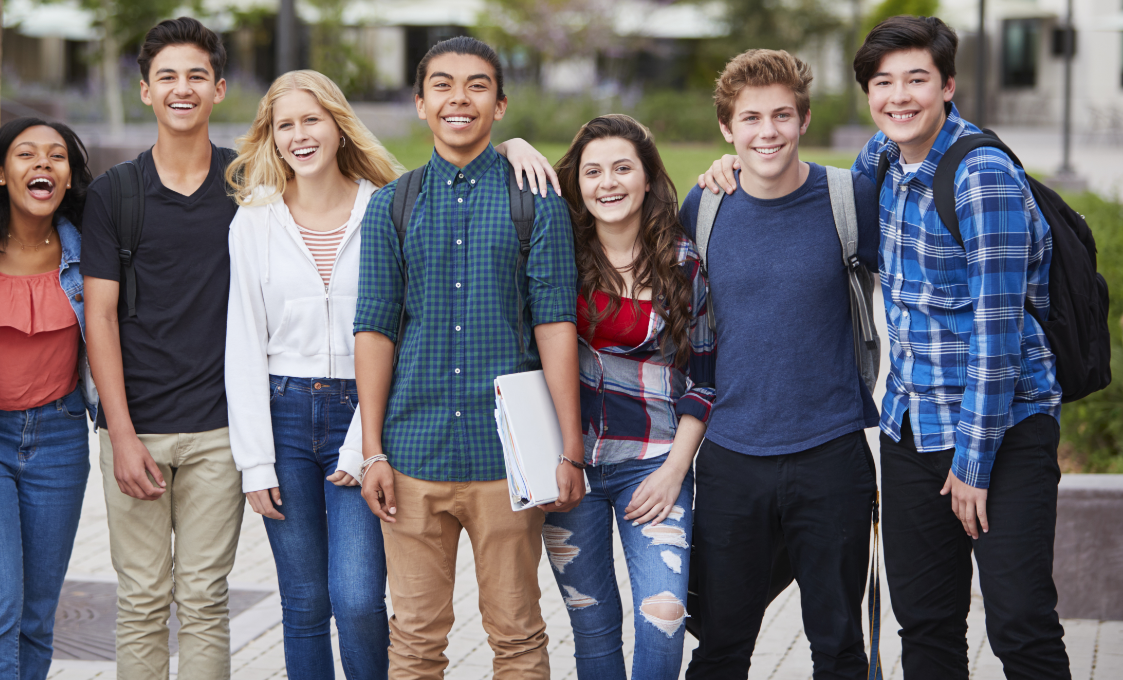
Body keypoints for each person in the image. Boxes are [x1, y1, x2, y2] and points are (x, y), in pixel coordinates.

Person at [224, 66, 562, 679]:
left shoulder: (384, 203)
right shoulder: (253, 221)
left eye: (312, 120)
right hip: (285, 414)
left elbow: (391, 331)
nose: (300, 135)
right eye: (285, 125)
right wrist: (254, 462)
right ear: (270, 137)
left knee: (357, 599)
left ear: (339, 126)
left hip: (368, 412)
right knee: (304, 603)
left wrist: (368, 448)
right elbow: (242, 344)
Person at [352, 36, 585, 679]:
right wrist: (372, 449)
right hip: (412, 457)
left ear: (501, 105)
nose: (460, 98)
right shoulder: (391, 206)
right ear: (421, 103)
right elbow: (374, 329)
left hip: (506, 462)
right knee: (416, 643)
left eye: (477, 85)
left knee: (517, 637)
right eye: (444, 86)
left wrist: (569, 447)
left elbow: (555, 323)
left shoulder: (536, 201)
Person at [852, 17, 1068, 679]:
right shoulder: (884, 158)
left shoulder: (981, 177)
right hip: (912, 427)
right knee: (926, 626)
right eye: (884, 83)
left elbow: (998, 333)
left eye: (917, 79)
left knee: (1019, 625)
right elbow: (812, 193)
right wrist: (730, 168)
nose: (899, 96)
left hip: (1002, 431)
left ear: (947, 85)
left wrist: (974, 464)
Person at [680, 50, 881, 680]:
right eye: (750, 119)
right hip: (731, 456)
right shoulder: (704, 207)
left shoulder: (851, 199)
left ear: (803, 120)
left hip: (832, 452)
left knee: (840, 648)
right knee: (718, 646)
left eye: (781, 116)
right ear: (727, 129)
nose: (767, 131)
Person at [80, 17, 242, 679]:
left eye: (196, 76)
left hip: (220, 431)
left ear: (220, 88)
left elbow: (347, 182)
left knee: (204, 598)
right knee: (144, 598)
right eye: (167, 77)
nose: (183, 88)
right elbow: (99, 317)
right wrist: (120, 433)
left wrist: (513, 144)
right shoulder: (114, 192)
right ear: (145, 91)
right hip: (135, 428)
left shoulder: (247, 186)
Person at [541, 113, 714, 679]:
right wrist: (517, 140)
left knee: (662, 619)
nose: (607, 183)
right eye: (593, 171)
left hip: (655, 463)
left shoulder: (683, 262)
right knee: (592, 629)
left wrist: (674, 472)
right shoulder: (557, 255)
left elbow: (706, 378)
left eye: (622, 168)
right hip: (570, 468)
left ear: (646, 180)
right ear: (578, 182)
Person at [0, 118, 94, 680]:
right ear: (1, 172)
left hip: (60, 439)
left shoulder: (90, 249)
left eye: (56, 156)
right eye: (27, 155)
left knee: (36, 616)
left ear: (68, 177)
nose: (43, 164)